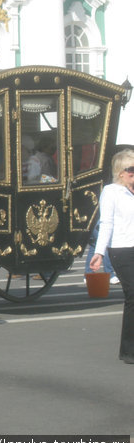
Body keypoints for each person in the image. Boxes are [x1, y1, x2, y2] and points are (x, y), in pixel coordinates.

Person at [89, 149, 134, 364]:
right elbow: (106, 223)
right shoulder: (111, 192)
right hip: (122, 249)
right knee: (133, 294)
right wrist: (99, 252)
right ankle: (128, 350)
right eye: (131, 170)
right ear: (120, 172)